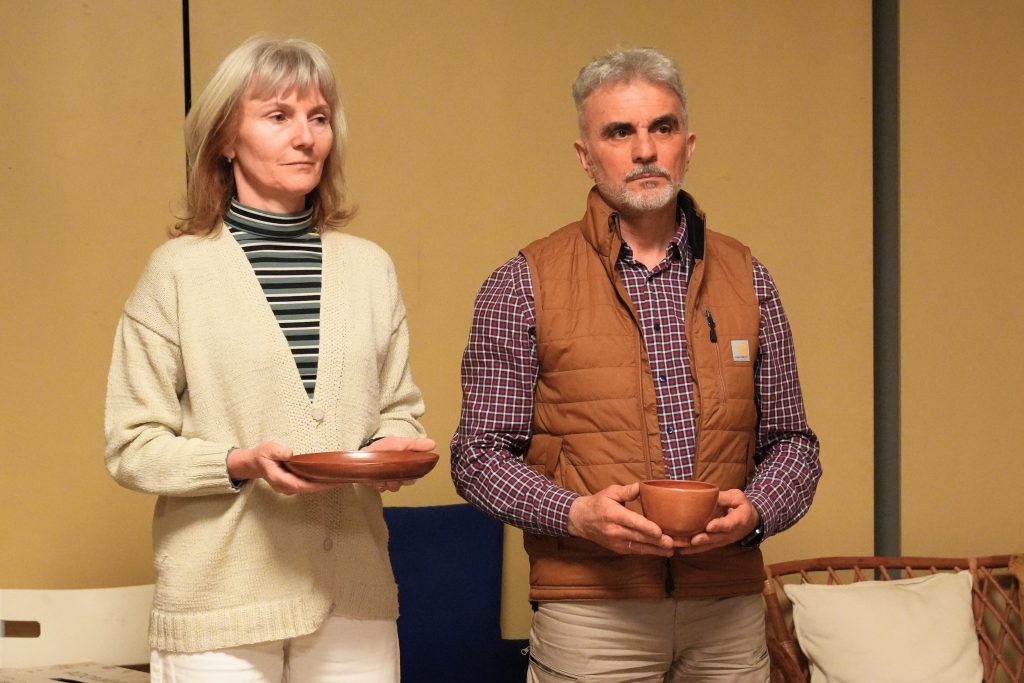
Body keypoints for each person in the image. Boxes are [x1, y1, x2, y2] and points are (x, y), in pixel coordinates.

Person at [451, 47, 822, 682]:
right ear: (585, 155)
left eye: (662, 128)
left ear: (688, 145)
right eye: (619, 132)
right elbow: (477, 456)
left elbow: (794, 444)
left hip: (727, 610)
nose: (644, 149)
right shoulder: (523, 283)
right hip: (592, 613)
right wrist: (575, 515)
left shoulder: (749, 278)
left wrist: (758, 511)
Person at [104, 36, 432, 682]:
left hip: (352, 593)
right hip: (218, 603)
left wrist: (393, 448)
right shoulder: (176, 274)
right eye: (278, 116)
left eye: (319, 117)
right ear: (226, 138)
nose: (306, 137)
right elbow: (130, 443)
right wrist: (237, 462)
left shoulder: (370, 268)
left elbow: (399, 411)